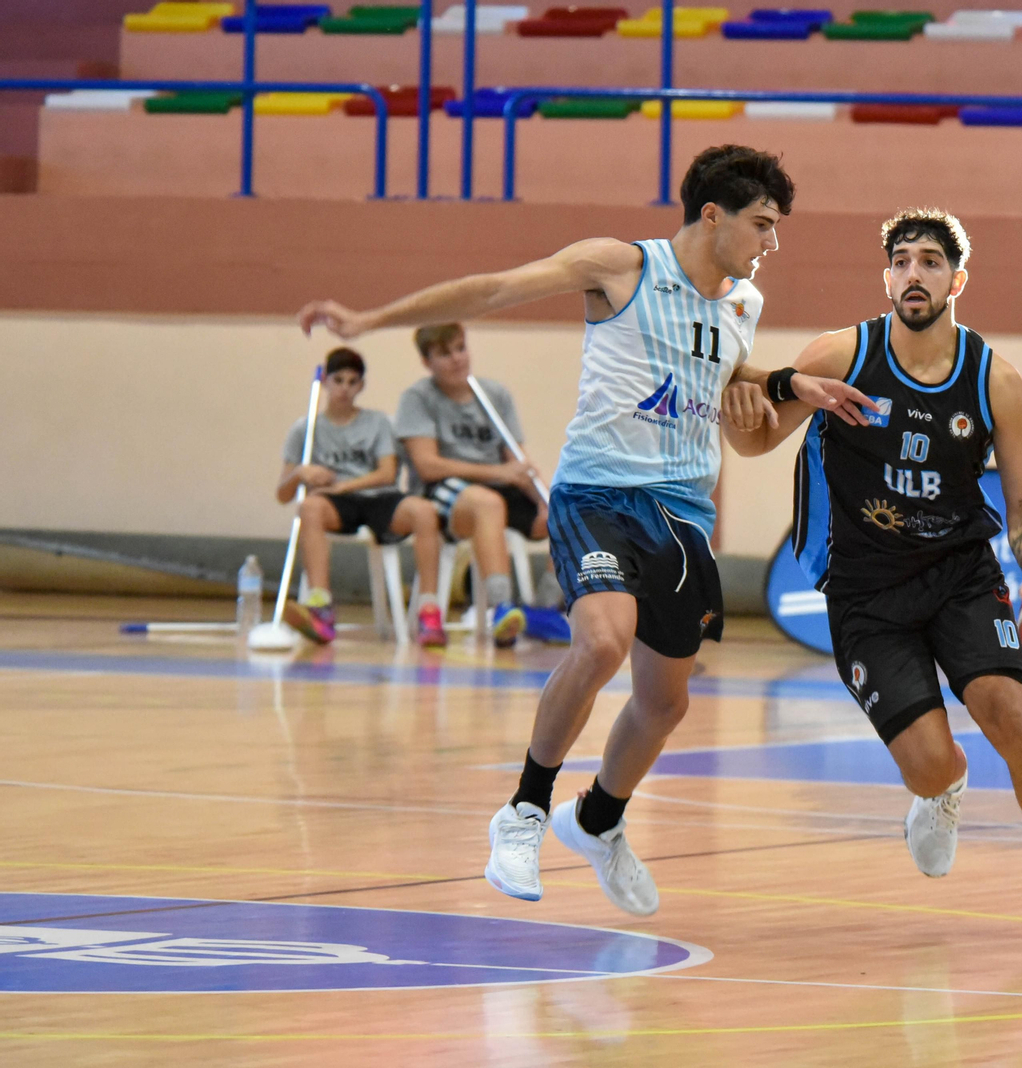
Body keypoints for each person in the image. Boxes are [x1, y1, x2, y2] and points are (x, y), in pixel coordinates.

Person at [296, 145, 873, 915]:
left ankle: (599, 820)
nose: (773, 243)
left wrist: (787, 384)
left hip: (682, 512)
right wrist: (369, 320)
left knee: (666, 704)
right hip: (597, 491)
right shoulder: (620, 266)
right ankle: (526, 808)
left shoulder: (741, 305)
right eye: (763, 224)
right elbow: (496, 288)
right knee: (601, 640)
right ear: (713, 215)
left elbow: (722, 371)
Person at [720, 208, 1022, 943]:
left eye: (931, 261)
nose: (915, 272)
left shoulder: (994, 379)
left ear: (957, 279)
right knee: (932, 762)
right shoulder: (840, 355)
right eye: (902, 260)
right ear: (886, 279)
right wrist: (740, 402)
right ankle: (941, 793)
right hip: (865, 590)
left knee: (1012, 717)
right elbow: (754, 444)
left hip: (960, 573)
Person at [392, 322, 566, 648]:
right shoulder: (417, 398)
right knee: (488, 503)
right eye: (445, 354)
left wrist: (545, 500)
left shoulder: (494, 395)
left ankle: (544, 609)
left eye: (461, 348)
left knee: (567, 509)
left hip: (496, 483)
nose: (457, 359)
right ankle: (501, 608)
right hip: (443, 492)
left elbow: (516, 461)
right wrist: (499, 472)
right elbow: (427, 466)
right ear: (426, 362)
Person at [276, 346, 448, 648]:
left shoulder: (378, 422)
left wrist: (343, 485)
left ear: (361, 386)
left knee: (423, 511)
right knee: (309, 507)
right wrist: (300, 473)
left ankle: (429, 610)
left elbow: (386, 472)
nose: (344, 388)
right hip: (335, 505)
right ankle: (321, 606)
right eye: (338, 380)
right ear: (325, 381)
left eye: (352, 381)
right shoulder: (304, 430)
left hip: (378, 497)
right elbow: (283, 493)